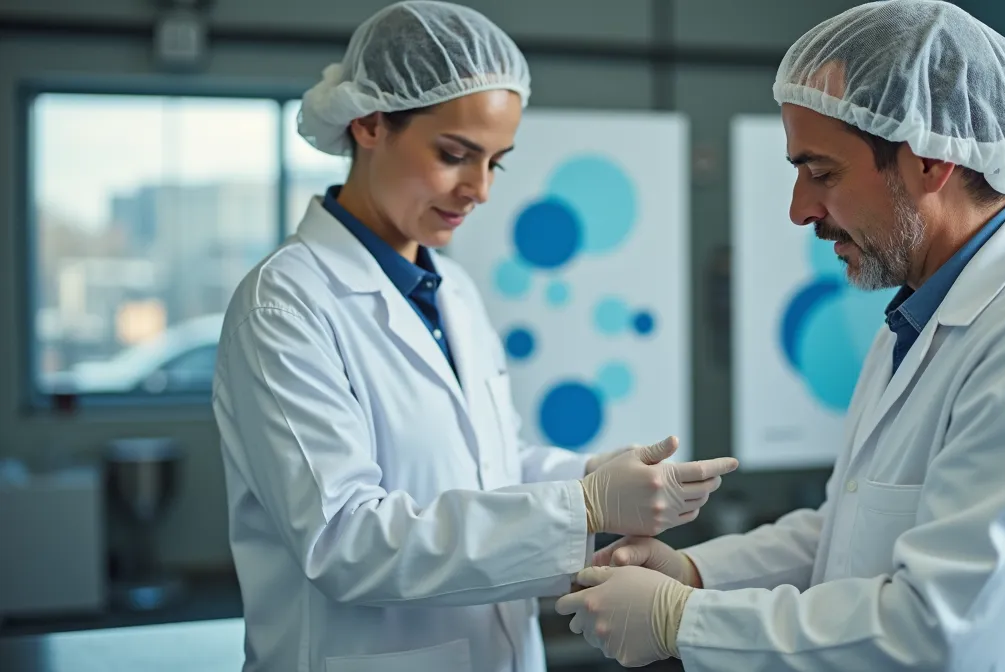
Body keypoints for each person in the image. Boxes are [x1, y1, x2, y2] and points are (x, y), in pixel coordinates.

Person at [556, 1, 1005, 669]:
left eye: (823, 173)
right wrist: (693, 574)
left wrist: (685, 620)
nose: (800, 210)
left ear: (932, 160)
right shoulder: (918, 318)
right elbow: (846, 533)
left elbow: (943, 640)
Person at [212, 3, 738, 671]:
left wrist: (591, 475)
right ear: (369, 123)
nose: (480, 189)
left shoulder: (450, 289)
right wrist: (579, 507)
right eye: (455, 155)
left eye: (497, 162)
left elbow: (488, 464)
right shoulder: (286, 303)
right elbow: (343, 541)